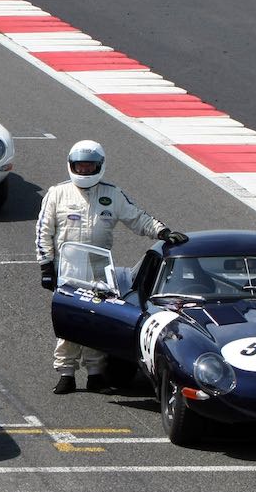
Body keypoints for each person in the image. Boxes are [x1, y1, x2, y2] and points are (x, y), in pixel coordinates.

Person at [35, 140, 187, 395]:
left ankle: (95, 374)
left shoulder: (112, 194)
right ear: (71, 166)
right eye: (80, 167)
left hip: (99, 270)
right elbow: (43, 231)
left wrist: (163, 231)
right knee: (70, 322)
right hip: (68, 271)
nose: (84, 171)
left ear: (100, 166)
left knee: (96, 322)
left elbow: (137, 217)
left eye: (89, 167)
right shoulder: (57, 193)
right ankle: (66, 373)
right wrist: (46, 266)